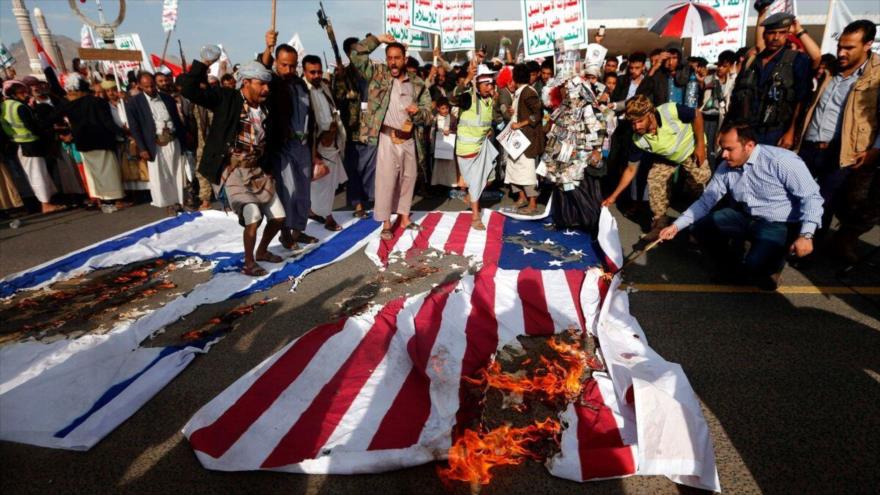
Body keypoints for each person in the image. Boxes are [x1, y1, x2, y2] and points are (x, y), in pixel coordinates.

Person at [659, 123, 823, 290]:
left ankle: (771, 265)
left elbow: (812, 197)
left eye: (729, 149)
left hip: (779, 224)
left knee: (757, 269)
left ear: (749, 146)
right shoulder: (726, 166)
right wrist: (676, 226)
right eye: (722, 149)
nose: (724, 154)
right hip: (746, 216)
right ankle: (732, 266)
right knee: (701, 227)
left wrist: (806, 235)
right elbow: (705, 201)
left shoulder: (781, 161)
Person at [180, 52, 285, 277]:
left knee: (278, 217)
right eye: (261, 84)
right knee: (253, 214)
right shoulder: (226, 98)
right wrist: (204, 64)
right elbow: (188, 90)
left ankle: (262, 251)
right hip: (232, 170)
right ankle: (249, 263)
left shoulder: (266, 107)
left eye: (267, 84)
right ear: (246, 82)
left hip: (258, 170)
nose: (266, 89)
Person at [797, 19, 880, 260]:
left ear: (868, 45)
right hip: (809, 145)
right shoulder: (831, 68)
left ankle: (809, 252)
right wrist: (799, 30)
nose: (842, 53)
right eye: (840, 46)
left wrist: (875, 148)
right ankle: (782, 243)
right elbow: (815, 56)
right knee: (792, 194)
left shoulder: (876, 76)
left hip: (841, 152)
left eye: (849, 48)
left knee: (823, 204)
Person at [350, 33, 432, 239]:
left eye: (397, 58)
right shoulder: (378, 74)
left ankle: (404, 218)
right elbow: (355, 55)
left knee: (408, 179)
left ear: (405, 59)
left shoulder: (417, 83)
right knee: (386, 181)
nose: (393, 62)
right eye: (390, 58)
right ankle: (386, 223)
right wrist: (377, 40)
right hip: (387, 137)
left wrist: (418, 112)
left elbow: (428, 112)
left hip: (409, 139)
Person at [603, 94, 710, 241]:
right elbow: (631, 170)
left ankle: (700, 226)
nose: (636, 127)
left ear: (650, 115)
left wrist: (700, 146)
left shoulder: (669, 110)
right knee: (655, 178)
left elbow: (696, 114)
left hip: (691, 149)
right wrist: (613, 196)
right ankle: (659, 225)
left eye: (640, 121)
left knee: (697, 186)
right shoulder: (637, 139)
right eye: (633, 123)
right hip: (668, 156)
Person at [260, 30, 319, 249]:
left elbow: (309, 117)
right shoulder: (272, 82)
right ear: (277, 62)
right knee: (288, 191)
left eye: (293, 66)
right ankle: (284, 233)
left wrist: (313, 149)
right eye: (284, 65)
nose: (289, 70)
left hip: (302, 146)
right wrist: (267, 47)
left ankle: (298, 231)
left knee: (303, 192)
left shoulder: (301, 84)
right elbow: (262, 67)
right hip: (282, 147)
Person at [727, 12, 811, 147]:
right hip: (745, 131)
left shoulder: (796, 60)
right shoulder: (752, 61)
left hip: (775, 133)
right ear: (764, 34)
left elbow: (801, 100)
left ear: (787, 34)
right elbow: (736, 97)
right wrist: (726, 128)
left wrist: (791, 131)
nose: (776, 37)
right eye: (772, 33)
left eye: (782, 33)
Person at [60, 73, 128, 210]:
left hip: (84, 144)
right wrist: (123, 133)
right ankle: (114, 201)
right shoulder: (98, 102)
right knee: (108, 172)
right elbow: (107, 122)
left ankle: (102, 201)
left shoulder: (70, 106)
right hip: (101, 142)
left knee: (94, 175)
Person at [125, 71, 188, 214]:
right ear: (140, 86)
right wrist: (142, 148)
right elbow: (135, 128)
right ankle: (168, 204)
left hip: (173, 140)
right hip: (154, 144)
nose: (150, 89)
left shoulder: (167, 98)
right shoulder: (134, 103)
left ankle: (179, 201)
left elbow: (177, 120)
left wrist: (183, 140)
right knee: (161, 175)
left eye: (152, 86)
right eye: (146, 87)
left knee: (176, 172)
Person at [0, 79, 63, 213]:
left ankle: (48, 201)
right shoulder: (20, 107)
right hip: (30, 145)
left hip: (18, 145)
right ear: (14, 94)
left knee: (36, 174)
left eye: (25, 91)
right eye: (21, 92)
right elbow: (33, 127)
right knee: (37, 174)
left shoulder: (4, 106)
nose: (25, 94)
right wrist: (48, 128)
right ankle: (45, 204)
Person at [302, 54, 348, 231]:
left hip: (332, 141)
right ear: (304, 72)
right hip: (316, 144)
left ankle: (313, 210)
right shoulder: (302, 91)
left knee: (326, 183)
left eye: (319, 72)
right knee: (322, 183)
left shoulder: (323, 87)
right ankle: (327, 216)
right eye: (312, 72)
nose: (316, 75)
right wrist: (313, 148)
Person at [452, 65, 499, 230]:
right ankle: (475, 217)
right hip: (468, 149)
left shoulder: (489, 100)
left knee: (488, 179)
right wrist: (467, 79)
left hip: (482, 146)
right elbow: (455, 97)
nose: (490, 87)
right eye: (486, 84)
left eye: (491, 84)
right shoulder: (469, 97)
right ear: (477, 84)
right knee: (476, 182)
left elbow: (486, 121)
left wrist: (490, 130)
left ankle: (471, 195)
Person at [335, 36, 377, 219]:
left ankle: (371, 199)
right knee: (353, 167)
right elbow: (337, 99)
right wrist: (344, 89)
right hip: (352, 129)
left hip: (371, 127)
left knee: (372, 166)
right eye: (356, 49)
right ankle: (357, 203)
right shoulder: (342, 75)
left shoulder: (370, 71)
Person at [504, 63, 544, 215]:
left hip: (526, 139)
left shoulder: (528, 92)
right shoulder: (521, 92)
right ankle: (522, 197)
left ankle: (532, 203)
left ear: (514, 78)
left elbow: (537, 114)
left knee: (527, 171)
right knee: (513, 167)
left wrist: (520, 123)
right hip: (517, 139)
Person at [430, 97, 458, 189]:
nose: (445, 110)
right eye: (442, 108)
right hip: (439, 147)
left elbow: (456, 131)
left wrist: (451, 132)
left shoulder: (452, 118)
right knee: (439, 166)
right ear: (438, 109)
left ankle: (451, 184)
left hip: (449, 147)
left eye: (446, 108)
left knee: (450, 166)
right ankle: (438, 184)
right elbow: (432, 133)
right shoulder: (435, 119)